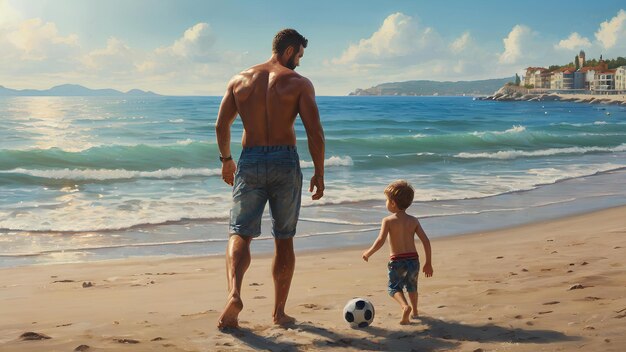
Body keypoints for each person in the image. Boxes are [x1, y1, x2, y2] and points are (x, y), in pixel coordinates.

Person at [215, 28, 325, 329]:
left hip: (249, 159)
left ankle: (234, 294)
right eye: (299, 55)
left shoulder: (239, 80)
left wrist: (226, 161)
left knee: (240, 232)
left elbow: (221, 125)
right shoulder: (298, 83)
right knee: (284, 238)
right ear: (289, 50)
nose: (300, 62)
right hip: (284, 161)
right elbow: (314, 132)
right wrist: (319, 172)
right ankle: (278, 313)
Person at [362, 180, 433, 324]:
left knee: (394, 288)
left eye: (387, 200)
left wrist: (368, 253)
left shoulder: (388, 220)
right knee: (412, 286)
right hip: (414, 260)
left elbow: (380, 240)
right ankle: (415, 311)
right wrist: (428, 263)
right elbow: (426, 241)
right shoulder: (413, 220)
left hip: (397, 261)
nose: (386, 203)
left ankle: (404, 306)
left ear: (393, 203)